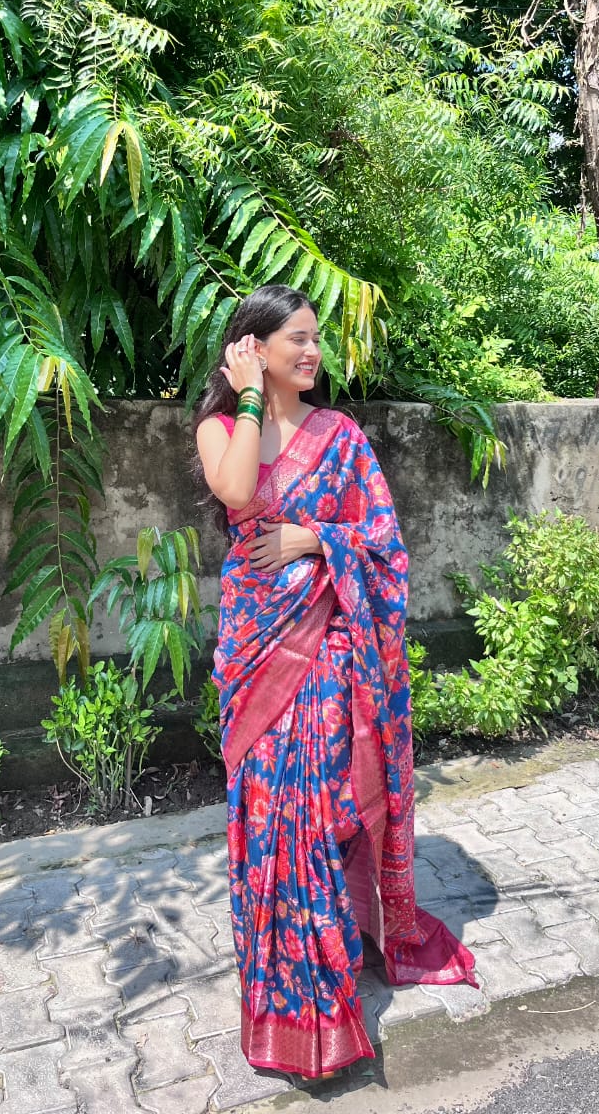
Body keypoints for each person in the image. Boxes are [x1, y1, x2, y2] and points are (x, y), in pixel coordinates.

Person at [195, 284, 476, 1080]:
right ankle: (280, 981)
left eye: (317, 339)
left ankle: (323, 980)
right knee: (266, 814)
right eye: (298, 339)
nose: (314, 352)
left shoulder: (343, 437)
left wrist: (313, 538)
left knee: (315, 813)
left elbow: (383, 543)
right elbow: (239, 493)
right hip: (255, 652)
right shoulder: (219, 426)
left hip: (328, 653)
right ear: (255, 346)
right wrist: (249, 399)